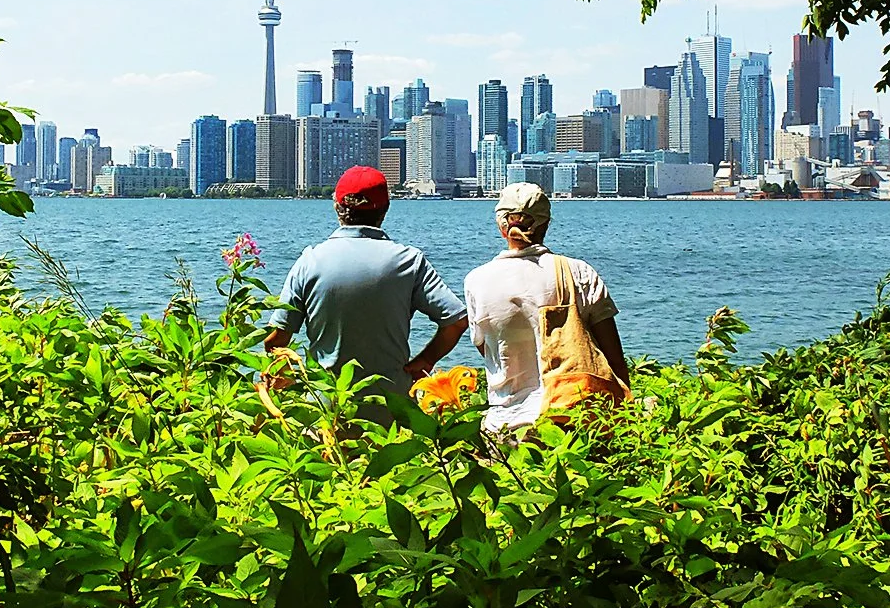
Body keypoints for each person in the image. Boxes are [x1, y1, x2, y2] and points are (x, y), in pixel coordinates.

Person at [263, 166, 468, 422]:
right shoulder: (409, 261)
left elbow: (277, 340)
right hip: (392, 411)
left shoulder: (310, 261)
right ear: (385, 211)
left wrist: (290, 379)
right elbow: (457, 320)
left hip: (327, 411)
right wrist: (426, 360)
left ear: (337, 207)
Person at [463, 182, 632, 430]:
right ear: (546, 224)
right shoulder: (579, 272)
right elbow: (613, 357)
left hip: (502, 425)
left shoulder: (476, 280)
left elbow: (487, 350)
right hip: (569, 421)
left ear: (501, 226)